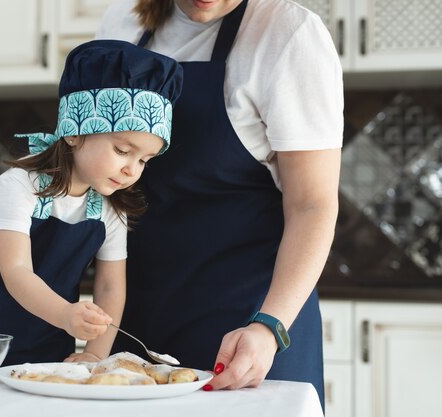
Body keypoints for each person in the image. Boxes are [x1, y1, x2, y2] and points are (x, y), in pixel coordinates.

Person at [96, 0, 343, 408]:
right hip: (133, 314)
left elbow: (313, 205)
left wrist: (269, 327)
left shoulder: (288, 33)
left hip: (250, 322)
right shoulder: (118, 24)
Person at [0, 40, 184, 366]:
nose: (132, 169)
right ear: (74, 132)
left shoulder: (110, 209)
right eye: (122, 150)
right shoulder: (19, 186)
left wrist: (93, 354)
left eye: (145, 159)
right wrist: (65, 313)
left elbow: (110, 286)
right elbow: (17, 271)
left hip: (51, 350)